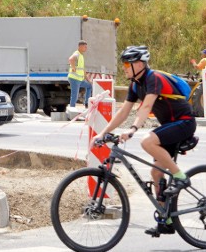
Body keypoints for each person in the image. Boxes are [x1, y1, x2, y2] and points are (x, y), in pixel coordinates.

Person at [92, 45, 196, 237]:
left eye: (127, 64)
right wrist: (102, 133)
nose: (124, 67)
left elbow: (146, 106)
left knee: (147, 142)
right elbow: (124, 112)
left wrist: (133, 129)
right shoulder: (135, 85)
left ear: (139, 64)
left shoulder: (153, 78)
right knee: (156, 173)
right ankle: (168, 221)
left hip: (184, 123)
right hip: (169, 127)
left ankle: (181, 177)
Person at [67, 40, 92, 109]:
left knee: (89, 86)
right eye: (85, 47)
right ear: (80, 46)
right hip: (74, 79)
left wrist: (88, 80)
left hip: (80, 80)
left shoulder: (81, 56)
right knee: (74, 95)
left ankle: (87, 103)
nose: (86, 48)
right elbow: (71, 59)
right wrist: (73, 67)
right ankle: (72, 110)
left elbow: (83, 70)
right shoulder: (77, 53)